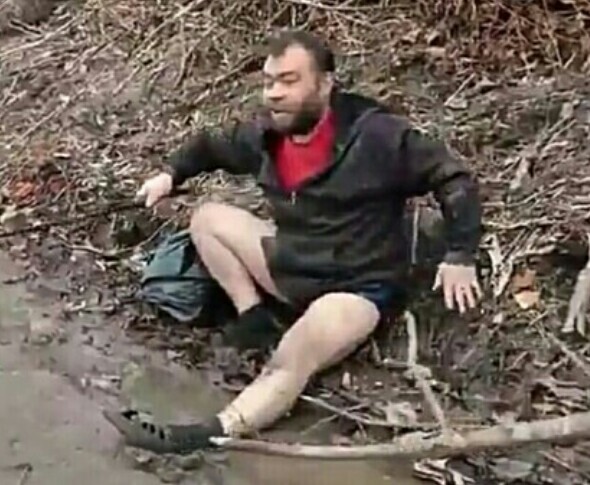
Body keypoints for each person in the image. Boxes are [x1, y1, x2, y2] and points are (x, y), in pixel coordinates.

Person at [103, 29, 483, 454]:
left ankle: (206, 433)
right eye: (269, 82)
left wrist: (460, 253)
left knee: (291, 360)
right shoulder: (268, 135)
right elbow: (210, 145)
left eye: (289, 80)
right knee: (207, 218)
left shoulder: (377, 135)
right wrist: (169, 175)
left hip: (352, 290)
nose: (274, 93)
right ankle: (254, 318)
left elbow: (453, 178)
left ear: (325, 83)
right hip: (293, 264)